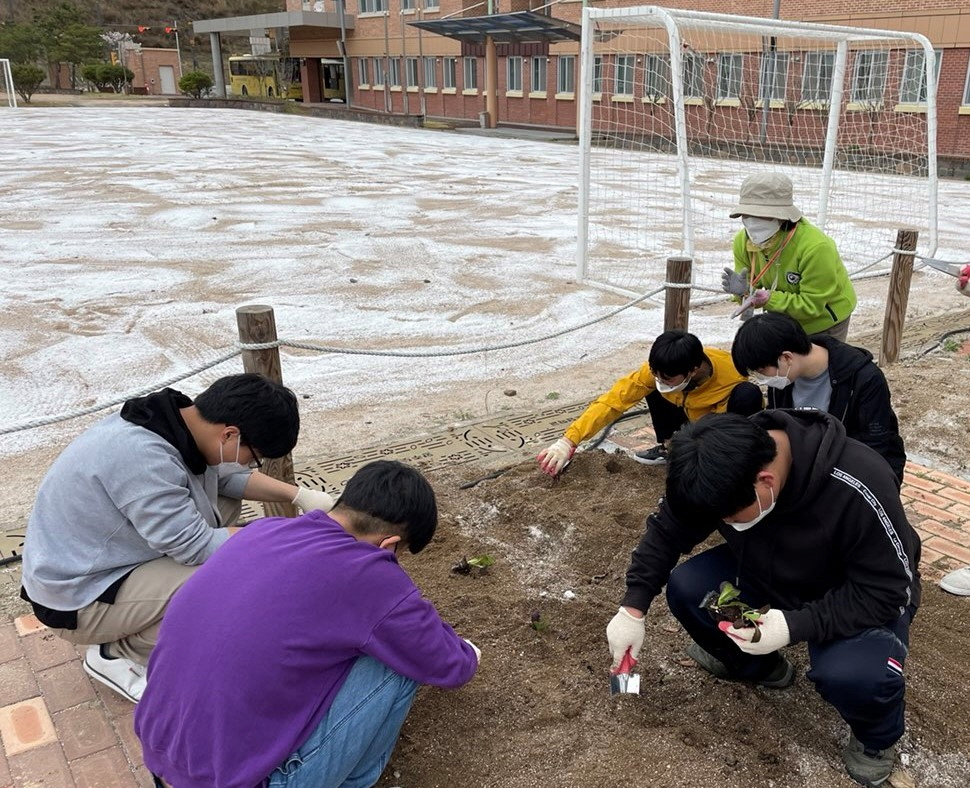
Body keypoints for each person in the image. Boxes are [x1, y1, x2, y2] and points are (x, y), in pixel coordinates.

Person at [606, 410, 920, 787]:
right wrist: (633, 607)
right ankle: (761, 668)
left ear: (765, 481)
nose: (724, 522)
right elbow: (668, 530)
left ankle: (876, 739)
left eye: (728, 515)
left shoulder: (859, 483)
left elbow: (888, 590)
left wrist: (794, 625)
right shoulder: (717, 463)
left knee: (854, 674)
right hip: (769, 571)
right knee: (692, 589)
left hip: (852, 593)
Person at [134, 460, 480, 788]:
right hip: (244, 781)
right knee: (399, 661)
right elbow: (450, 665)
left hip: (163, 754)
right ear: (389, 544)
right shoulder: (371, 574)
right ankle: (355, 781)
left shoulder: (266, 529)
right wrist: (468, 652)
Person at [20, 373, 334, 704]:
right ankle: (115, 653)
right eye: (252, 456)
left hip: (101, 556)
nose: (249, 464)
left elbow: (229, 478)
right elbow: (197, 545)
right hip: (76, 595)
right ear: (230, 434)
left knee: (224, 509)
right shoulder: (142, 458)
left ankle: (149, 613)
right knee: (228, 585)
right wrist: (294, 537)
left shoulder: (181, 419)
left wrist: (299, 495)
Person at [537, 330, 762, 472]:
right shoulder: (659, 372)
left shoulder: (731, 375)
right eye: (656, 373)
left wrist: (699, 451)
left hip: (717, 422)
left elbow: (720, 427)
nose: (660, 380)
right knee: (653, 388)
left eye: (667, 377)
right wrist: (569, 440)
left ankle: (727, 466)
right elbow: (613, 401)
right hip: (683, 411)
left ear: (693, 370)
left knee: (747, 395)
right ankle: (668, 448)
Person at [731, 312, 906, 484]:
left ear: (786, 357)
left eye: (762, 372)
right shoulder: (784, 379)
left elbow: (874, 447)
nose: (763, 379)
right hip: (810, 467)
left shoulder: (863, 379)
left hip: (853, 474)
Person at [721, 172, 857, 342]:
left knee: (817, 367)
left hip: (824, 320)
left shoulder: (816, 247)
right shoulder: (743, 241)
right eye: (747, 215)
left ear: (782, 215)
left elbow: (811, 305)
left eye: (763, 215)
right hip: (780, 318)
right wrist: (744, 292)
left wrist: (769, 299)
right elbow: (750, 289)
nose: (753, 222)